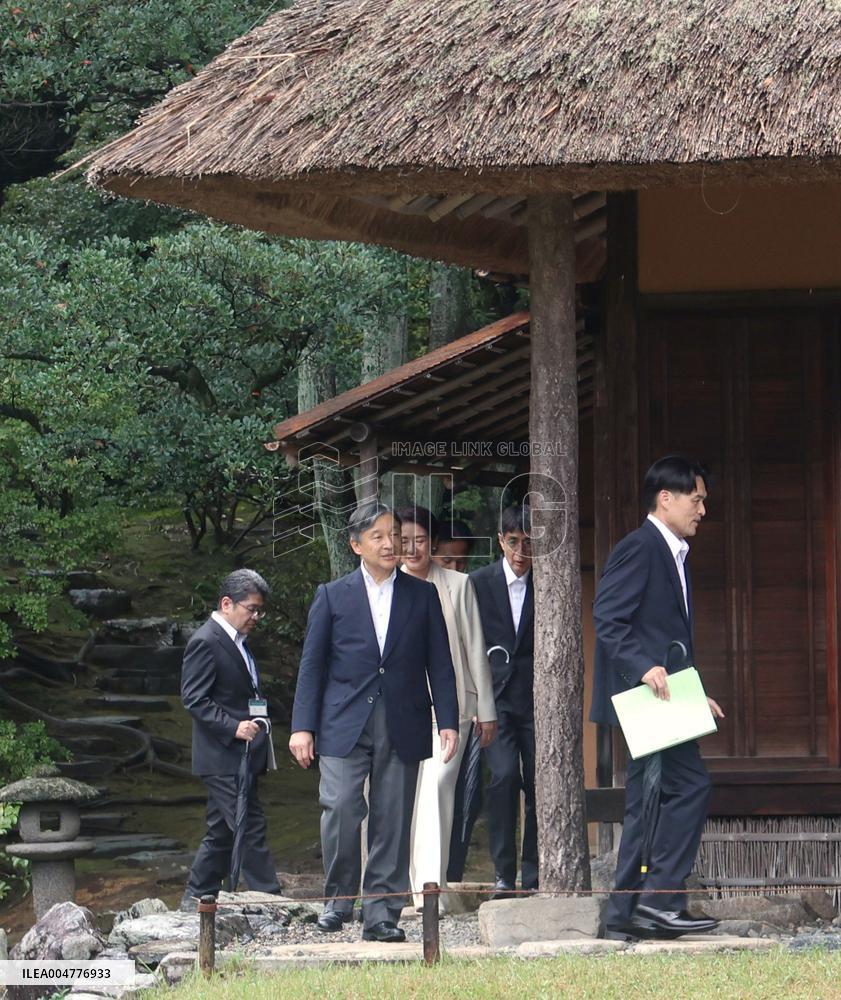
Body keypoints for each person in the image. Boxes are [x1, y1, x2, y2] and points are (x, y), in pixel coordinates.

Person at [289, 502, 459, 942]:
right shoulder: (333, 594)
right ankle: (338, 901)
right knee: (342, 808)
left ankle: (383, 912)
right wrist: (301, 726)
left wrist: (449, 720)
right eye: (380, 536)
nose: (391, 544)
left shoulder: (423, 595)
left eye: (396, 535)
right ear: (355, 544)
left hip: (404, 717)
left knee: (393, 817)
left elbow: (440, 662)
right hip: (342, 719)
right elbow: (312, 666)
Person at [591, 455, 725, 940]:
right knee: (671, 794)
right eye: (697, 499)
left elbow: (666, 638)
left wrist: (696, 694)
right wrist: (644, 668)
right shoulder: (642, 547)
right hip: (644, 699)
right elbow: (608, 616)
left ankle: (637, 911)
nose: (702, 510)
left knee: (662, 797)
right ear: (665, 499)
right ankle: (649, 905)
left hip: (667, 699)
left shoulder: (671, 552)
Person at [398, 506, 497, 909]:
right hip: (401, 710)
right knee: (401, 796)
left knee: (437, 789)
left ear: (433, 544)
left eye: (420, 540)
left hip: (451, 709)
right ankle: (394, 887)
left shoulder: (457, 584)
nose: (412, 548)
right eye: (403, 540)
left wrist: (485, 708)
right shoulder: (387, 586)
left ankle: (428, 891)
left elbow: (475, 646)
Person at [180, 569, 281, 910]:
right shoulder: (206, 641)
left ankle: (195, 896)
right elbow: (194, 698)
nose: (256, 617)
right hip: (222, 754)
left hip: (240, 754)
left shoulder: (236, 641)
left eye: (259, 610)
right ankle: (271, 898)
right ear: (227, 603)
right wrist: (233, 727)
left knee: (222, 831)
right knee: (249, 823)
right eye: (251, 609)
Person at [470, 504, 537, 897]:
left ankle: (535, 874)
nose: (521, 552)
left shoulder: (549, 581)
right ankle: (503, 873)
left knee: (540, 783)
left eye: (528, 544)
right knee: (503, 778)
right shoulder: (479, 583)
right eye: (513, 542)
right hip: (495, 699)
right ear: (500, 541)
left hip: (536, 699)